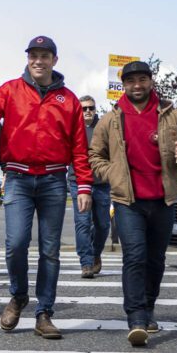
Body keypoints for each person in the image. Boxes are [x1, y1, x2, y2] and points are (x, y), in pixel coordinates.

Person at [0, 36, 92, 340]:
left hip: (53, 181)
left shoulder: (70, 100)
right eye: (33, 55)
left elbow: (79, 147)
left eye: (44, 56)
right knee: (16, 244)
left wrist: (84, 186)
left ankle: (44, 312)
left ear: (54, 60)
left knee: (50, 251)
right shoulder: (9, 90)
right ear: (27, 58)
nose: (38, 61)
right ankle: (18, 296)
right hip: (18, 179)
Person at [89, 60, 177, 347]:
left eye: (142, 79)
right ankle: (136, 317)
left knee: (155, 260)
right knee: (135, 257)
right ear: (123, 85)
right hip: (129, 201)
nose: (136, 85)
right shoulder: (111, 119)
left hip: (163, 200)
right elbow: (94, 157)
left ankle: (149, 305)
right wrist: (112, 174)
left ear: (151, 81)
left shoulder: (173, 116)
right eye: (130, 81)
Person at [68, 96, 112, 278]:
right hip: (77, 181)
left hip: (101, 183)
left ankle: (95, 253)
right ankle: (86, 262)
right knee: (83, 222)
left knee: (102, 225)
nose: (87, 111)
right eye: (84, 108)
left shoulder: (103, 127)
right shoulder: (72, 127)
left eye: (91, 108)